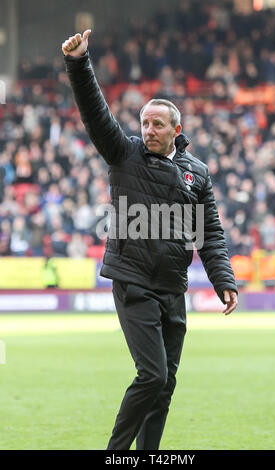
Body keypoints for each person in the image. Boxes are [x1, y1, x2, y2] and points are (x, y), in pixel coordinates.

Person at [62, 30, 238, 450]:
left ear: (177, 129)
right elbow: (95, 113)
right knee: (153, 375)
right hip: (134, 280)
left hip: (172, 285)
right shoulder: (124, 153)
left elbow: (209, 233)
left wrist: (224, 280)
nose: (149, 130)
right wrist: (79, 63)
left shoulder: (197, 172)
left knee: (166, 385)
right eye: (144, 123)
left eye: (157, 124)